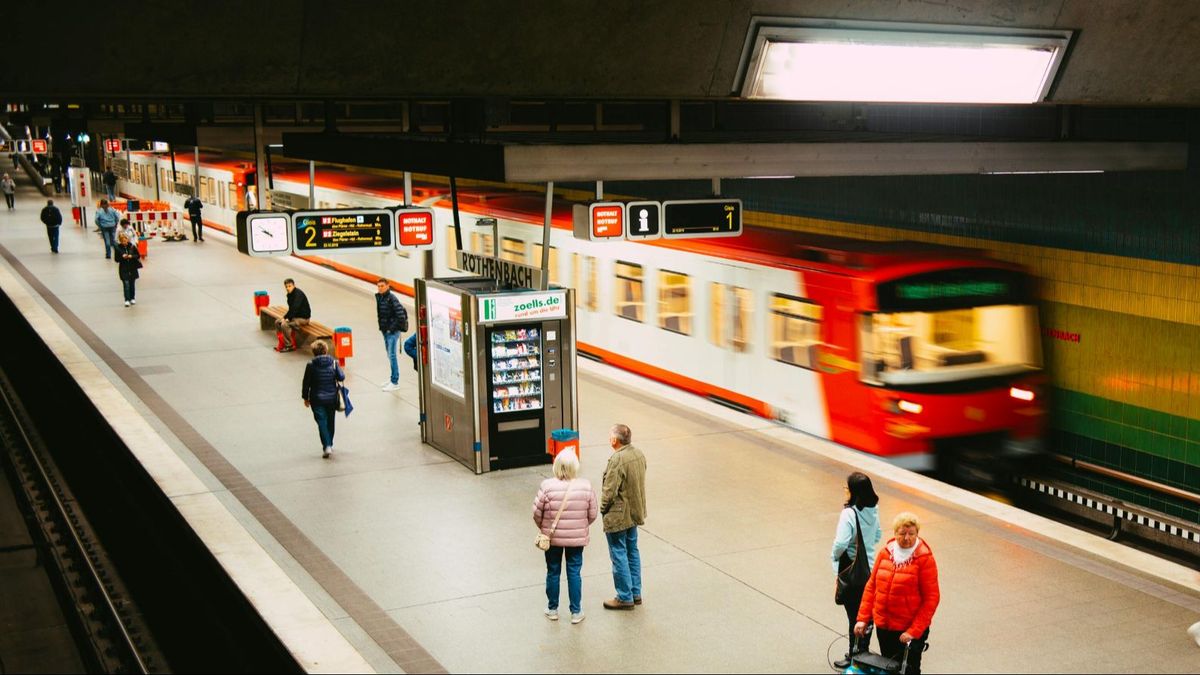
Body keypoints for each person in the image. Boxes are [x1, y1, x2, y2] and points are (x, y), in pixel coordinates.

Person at [854, 512, 940, 675]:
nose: (907, 538)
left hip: (908, 630)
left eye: (911, 534)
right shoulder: (885, 553)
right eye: (902, 533)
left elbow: (932, 599)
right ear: (895, 533)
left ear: (917, 534)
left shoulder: (924, 559)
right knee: (888, 668)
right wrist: (862, 618)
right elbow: (871, 587)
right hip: (885, 626)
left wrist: (913, 631)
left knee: (909, 670)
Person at [532, 450, 597, 625]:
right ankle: (576, 612)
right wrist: (579, 526)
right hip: (576, 539)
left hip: (552, 539)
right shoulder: (586, 486)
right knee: (574, 572)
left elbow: (537, 512)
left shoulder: (547, 486)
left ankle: (552, 609)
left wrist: (544, 527)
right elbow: (592, 514)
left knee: (553, 571)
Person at [831, 472, 883, 669]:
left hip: (852, 571)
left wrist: (835, 556)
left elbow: (841, 543)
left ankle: (853, 656)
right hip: (870, 569)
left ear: (853, 492)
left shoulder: (849, 513)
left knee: (854, 615)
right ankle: (862, 652)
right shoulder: (873, 510)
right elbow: (877, 535)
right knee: (866, 614)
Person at [600, 423, 647, 610]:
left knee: (618, 553)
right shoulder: (639, 454)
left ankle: (624, 596)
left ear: (614, 440)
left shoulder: (617, 460)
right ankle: (636, 593)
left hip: (618, 515)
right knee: (632, 551)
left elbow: (609, 491)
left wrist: (603, 509)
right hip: (634, 512)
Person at [301, 340, 344, 459]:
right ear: (326, 350)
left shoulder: (310, 365)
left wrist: (305, 397)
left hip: (316, 398)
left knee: (321, 421)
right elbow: (341, 377)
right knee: (331, 421)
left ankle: (327, 445)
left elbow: (306, 383)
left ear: (314, 352)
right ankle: (330, 442)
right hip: (331, 398)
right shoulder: (334, 363)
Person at [375, 278, 408, 391]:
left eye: (382, 286)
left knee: (392, 355)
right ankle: (392, 379)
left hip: (392, 332)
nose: (380, 288)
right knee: (389, 355)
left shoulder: (392, 299)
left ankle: (395, 382)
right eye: (378, 286)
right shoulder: (380, 298)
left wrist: (390, 329)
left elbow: (401, 317)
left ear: (388, 286)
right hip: (385, 331)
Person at [275, 278, 311, 353]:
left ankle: (289, 345)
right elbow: (291, 309)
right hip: (295, 316)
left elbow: (295, 308)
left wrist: (287, 319)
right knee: (277, 322)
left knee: (284, 325)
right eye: (286, 287)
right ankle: (282, 343)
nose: (288, 288)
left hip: (303, 319)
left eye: (289, 286)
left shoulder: (298, 294)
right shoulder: (290, 295)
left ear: (294, 285)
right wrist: (284, 317)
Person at [114, 232, 141, 307]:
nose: (124, 242)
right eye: (122, 241)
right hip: (123, 268)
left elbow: (138, 255)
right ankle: (126, 299)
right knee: (126, 284)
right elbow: (116, 259)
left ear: (128, 240)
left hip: (132, 268)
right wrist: (122, 257)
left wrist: (131, 256)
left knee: (132, 284)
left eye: (125, 240)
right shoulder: (118, 248)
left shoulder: (132, 247)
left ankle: (132, 297)